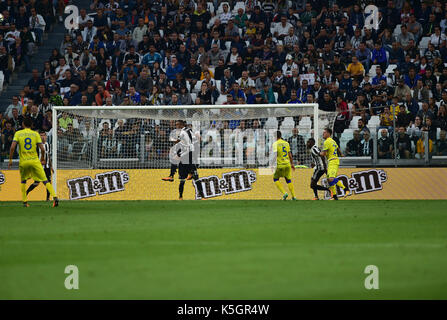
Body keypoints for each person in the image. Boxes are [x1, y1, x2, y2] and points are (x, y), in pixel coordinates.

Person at [8, 117, 58, 207]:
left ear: (23, 124)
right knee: (46, 180)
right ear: (31, 125)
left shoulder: (18, 133)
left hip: (24, 162)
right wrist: (42, 158)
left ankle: (25, 202)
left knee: (23, 181)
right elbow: (42, 149)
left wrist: (10, 160)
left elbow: (12, 148)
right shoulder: (35, 134)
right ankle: (55, 197)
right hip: (35, 161)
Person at [174, 120, 205, 200]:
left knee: (196, 177)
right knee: (182, 180)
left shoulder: (187, 131)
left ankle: (202, 196)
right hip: (183, 159)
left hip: (190, 158)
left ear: (181, 124)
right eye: (176, 124)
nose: (176, 126)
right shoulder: (182, 134)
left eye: (177, 124)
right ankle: (180, 196)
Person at [319, 128, 348, 200]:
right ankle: (334, 196)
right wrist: (341, 154)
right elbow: (337, 148)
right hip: (332, 161)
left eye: (324, 132)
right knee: (329, 179)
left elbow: (324, 153)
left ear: (328, 133)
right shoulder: (333, 141)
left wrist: (317, 153)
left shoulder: (327, 142)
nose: (323, 134)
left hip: (333, 161)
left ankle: (346, 189)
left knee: (331, 179)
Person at [25, 131, 53, 201]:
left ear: (46, 136)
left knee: (48, 183)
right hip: (39, 167)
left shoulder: (48, 145)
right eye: (41, 135)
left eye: (44, 135)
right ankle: (26, 193)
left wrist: (51, 166)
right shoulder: (36, 146)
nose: (43, 137)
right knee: (36, 183)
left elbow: (48, 156)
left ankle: (47, 198)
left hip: (47, 167)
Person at [271, 130, 296, 200]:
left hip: (280, 165)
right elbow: (290, 155)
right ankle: (294, 196)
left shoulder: (275, 144)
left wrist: (272, 164)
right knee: (288, 179)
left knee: (275, 178)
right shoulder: (286, 143)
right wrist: (292, 164)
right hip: (287, 164)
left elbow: (275, 155)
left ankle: (284, 193)